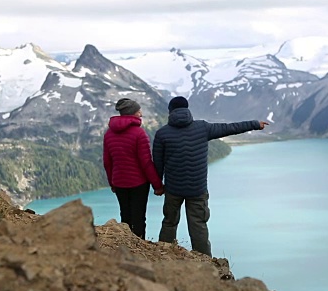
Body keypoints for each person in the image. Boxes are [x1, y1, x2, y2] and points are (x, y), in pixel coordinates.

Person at [153, 96, 269, 256]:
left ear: (170, 111)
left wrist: (158, 186)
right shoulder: (202, 127)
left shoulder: (162, 134)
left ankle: (163, 255)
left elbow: (157, 163)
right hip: (197, 189)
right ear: (187, 109)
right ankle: (204, 262)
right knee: (198, 225)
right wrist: (255, 124)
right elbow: (230, 128)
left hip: (173, 188)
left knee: (169, 222)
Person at [103, 98, 165, 239]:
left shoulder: (109, 134)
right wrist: (158, 186)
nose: (141, 114)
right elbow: (146, 163)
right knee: (138, 218)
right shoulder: (139, 133)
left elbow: (107, 162)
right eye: (139, 111)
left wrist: (112, 183)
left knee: (125, 216)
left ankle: (126, 246)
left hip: (119, 182)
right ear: (132, 113)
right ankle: (138, 249)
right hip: (138, 183)